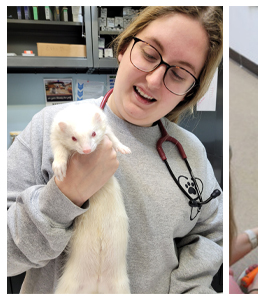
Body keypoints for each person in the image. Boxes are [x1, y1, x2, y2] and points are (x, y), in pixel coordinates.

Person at [7, 6, 223, 293]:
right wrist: (64, 195)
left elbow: (211, 235)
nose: (154, 80)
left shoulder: (191, 152)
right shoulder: (50, 126)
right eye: (149, 54)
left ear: (190, 92)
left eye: (180, 74)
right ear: (124, 47)